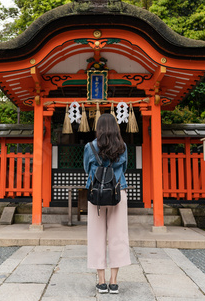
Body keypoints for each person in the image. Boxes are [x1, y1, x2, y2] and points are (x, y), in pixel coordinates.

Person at [83, 113, 130, 295]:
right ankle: (114, 281)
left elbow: (87, 169)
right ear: (115, 128)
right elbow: (124, 168)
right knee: (118, 235)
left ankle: (101, 282)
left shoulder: (89, 147)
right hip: (118, 191)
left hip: (96, 194)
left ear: (99, 128)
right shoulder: (123, 146)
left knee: (96, 236)